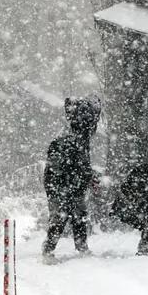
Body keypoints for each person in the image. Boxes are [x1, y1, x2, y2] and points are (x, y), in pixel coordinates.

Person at [42, 97, 101, 260]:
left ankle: (81, 247)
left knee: (79, 214)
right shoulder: (69, 139)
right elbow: (61, 166)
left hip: (71, 184)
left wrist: (88, 176)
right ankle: (48, 250)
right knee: (61, 216)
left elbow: (81, 163)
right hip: (60, 185)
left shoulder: (81, 139)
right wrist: (75, 179)